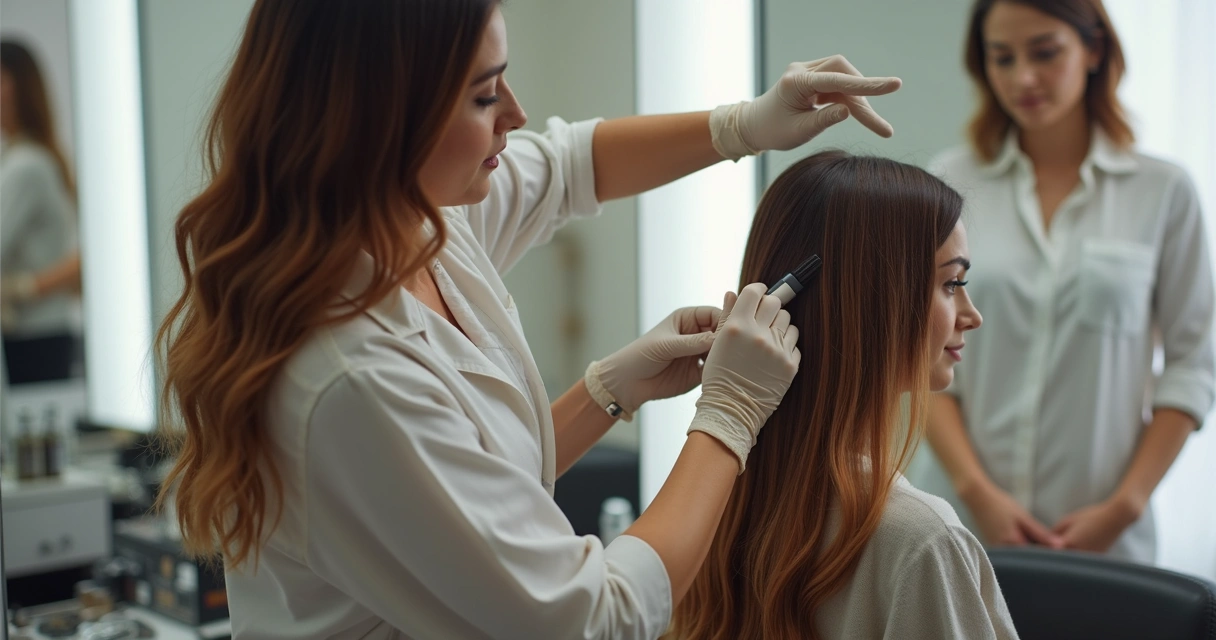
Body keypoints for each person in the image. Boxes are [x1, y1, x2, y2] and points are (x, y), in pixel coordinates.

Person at [152, 1, 903, 637]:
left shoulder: (411, 227)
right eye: (484, 97)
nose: (515, 114)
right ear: (382, 120)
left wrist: (747, 124)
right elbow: (596, 618)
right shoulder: (349, 378)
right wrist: (730, 415)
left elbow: (573, 164)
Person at [913, 0, 1214, 564]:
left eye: (1045, 53)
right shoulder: (950, 181)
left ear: (1094, 49)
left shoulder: (1163, 191)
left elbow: (1193, 364)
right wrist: (978, 493)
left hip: (1105, 537)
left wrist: (1125, 505)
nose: (1022, 77)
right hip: (958, 521)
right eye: (1001, 58)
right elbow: (917, 343)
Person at [668, 151, 1014, 640]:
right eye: (952, 283)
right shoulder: (921, 541)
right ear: (874, 303)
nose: (971, 313)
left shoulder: (705, 499)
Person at [0, 39, 83, 384]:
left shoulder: (25, 165)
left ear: (15, 87)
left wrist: (20, 289)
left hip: (30, 337)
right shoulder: (36, 158)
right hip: (43, 333)